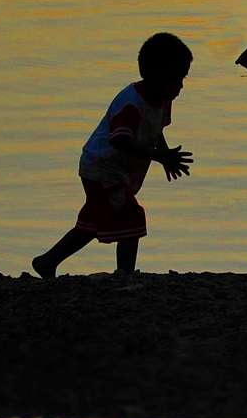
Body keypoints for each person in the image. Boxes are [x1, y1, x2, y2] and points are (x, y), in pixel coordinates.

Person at [31, 33, 195, 278]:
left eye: (182, 78)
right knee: (132, 218)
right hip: (103, 169)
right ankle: (125, 273)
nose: (181, 85)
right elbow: (119, 140)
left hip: (109, 169)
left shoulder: (162, 99)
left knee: (92, 222)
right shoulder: (131, 104)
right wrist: (159, 157)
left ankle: (47, 261)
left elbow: (156, 129)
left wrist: (164, 154)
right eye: (176, 78)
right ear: (156, 75)